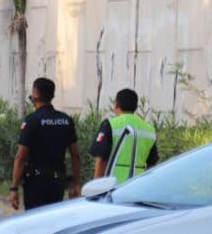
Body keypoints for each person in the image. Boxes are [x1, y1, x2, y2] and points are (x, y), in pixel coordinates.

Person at [9, 77, 81, 210]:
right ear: (52, 96)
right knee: (53, 221)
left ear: (35, 95)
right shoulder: (66, 120)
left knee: (34, 223)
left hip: (36, 183)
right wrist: (76, 183)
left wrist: (13, 188)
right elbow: (75, 156)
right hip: (57, 182)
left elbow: (20, 157)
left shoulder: (32, 121)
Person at [90, 88, 158, 183]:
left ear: (116, 105)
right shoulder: (149, 130)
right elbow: (152, 164)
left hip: (112, 186)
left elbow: (101, 160)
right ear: (136, 107)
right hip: (137, 186)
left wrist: (95, 187)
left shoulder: (110, 125)